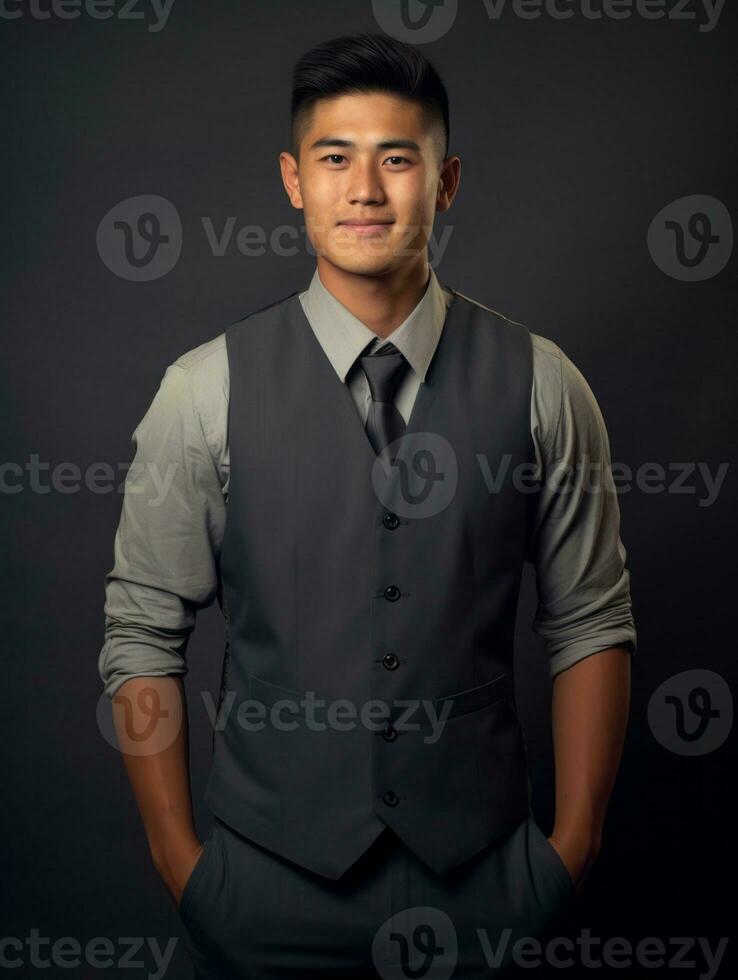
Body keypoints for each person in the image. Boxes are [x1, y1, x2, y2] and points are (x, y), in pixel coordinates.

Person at [98, 32, 637, 979]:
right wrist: (181, 866)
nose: (366, 189)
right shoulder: (202, 391)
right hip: (264, 887)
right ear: (292, 180)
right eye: (334, 158)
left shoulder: (544, 384)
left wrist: (573, 847)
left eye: (399, 158)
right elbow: (142, 631)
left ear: (448, 180)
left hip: (484, 890)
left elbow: (591, 619)